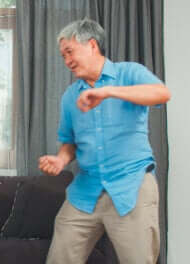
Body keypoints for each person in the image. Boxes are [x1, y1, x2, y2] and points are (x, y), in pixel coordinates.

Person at [39, 18, 171, 264]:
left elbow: (161, 93)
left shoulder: (129, 73)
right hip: (86, 190)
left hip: (131, 185)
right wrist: (60, 160)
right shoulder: (70, 97)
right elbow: (69, 142)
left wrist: (108, 91)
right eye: (62, 55)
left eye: (69, 52)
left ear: (91, 45)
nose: (66, 60)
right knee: (60, 257)